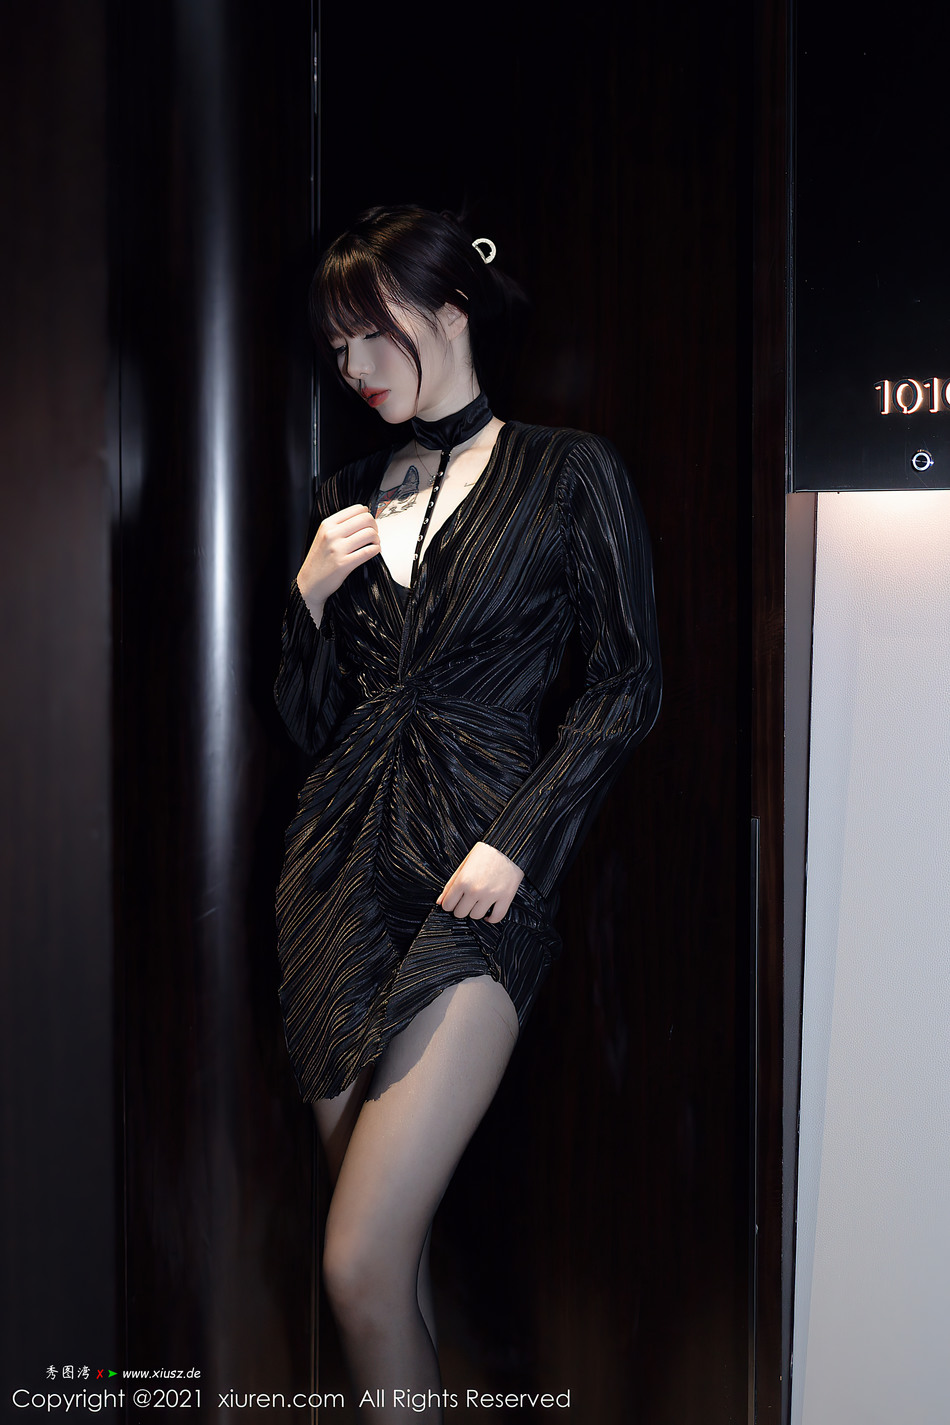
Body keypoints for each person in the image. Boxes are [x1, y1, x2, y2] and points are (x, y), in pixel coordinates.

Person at [274, 205, 661, 1422]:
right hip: (334, 874)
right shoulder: (345, 494)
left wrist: (518, 843)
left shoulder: (567, 471)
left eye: (371, 332)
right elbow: (308, 722)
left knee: (356, 1265)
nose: (354, 366)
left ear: (448, 310)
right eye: (337, 347)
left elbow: (626, 684)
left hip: (474, 875)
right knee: (387, 1267)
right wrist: (307, 601)